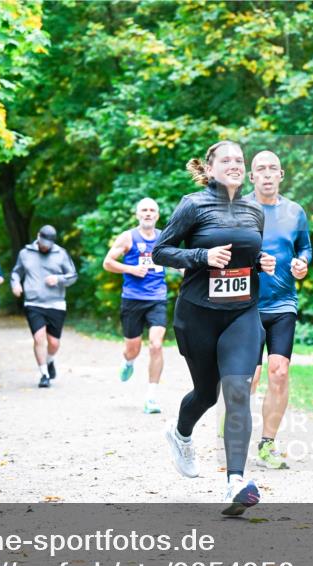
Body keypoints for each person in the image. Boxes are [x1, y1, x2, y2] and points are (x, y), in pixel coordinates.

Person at [153, 140, 275, 516]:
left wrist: (260, 262)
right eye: (227, 160)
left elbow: (246, 255)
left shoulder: (255, 209)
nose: (235, 164)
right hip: (198, 314)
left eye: (240, 160)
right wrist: (201, 256)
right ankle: (181, 434)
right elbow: (161, 251)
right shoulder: (193, 204)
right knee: (206, 394)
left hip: (242, 313)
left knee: (238, 390)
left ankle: (235, 482)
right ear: (210, 168)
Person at [245, 150, 313, 469]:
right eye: (261, 169)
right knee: (248, 379)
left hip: (284, 302)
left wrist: (303, 263)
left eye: (273, 168)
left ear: (281, 175)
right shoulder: (241, 210)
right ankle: (237, 436)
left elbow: (305, 247)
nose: (268, 173)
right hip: (245, 304)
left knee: (280, 372)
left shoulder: (295, 212)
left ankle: (267, 444)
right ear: (252, 176)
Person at [102, 197, 174, 414]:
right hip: (132, 299)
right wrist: (130, 269)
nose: (148, 213)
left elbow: (175, 260)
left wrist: (187, 269)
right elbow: (107, 262)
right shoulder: (128, 237)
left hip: (157, 298)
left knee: (156, 345)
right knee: (132, 349)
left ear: (158, 215)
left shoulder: (164, 237)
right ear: (137, 214)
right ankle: (128, 362)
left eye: (152, 210)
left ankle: (151, 397)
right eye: (144, 210)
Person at [11, 225, 79, 388]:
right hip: (33, 303)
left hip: (56, 303)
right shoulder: (25, 253)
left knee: (54, 343)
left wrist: (58, 279)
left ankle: (50, 361)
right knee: (38, 338)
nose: (45, 247)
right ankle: (44, 374)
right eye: (42, 243)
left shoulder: (61, 254)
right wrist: (15, 284)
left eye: (48, 245)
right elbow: (16, 272)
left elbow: (73, 276)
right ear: (38, 237)